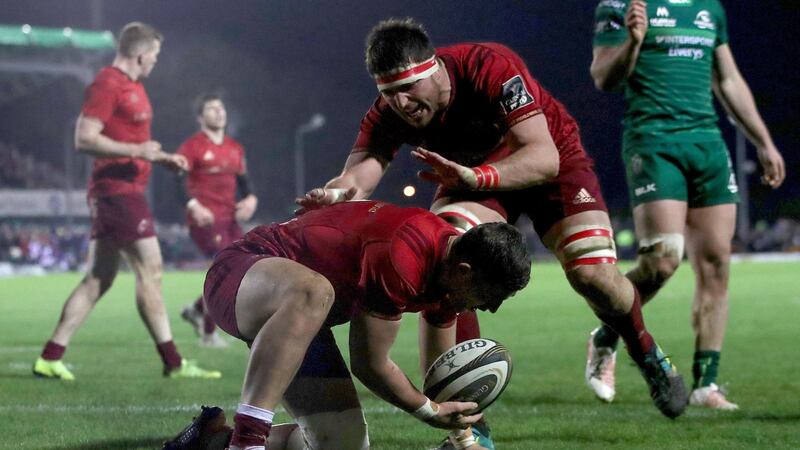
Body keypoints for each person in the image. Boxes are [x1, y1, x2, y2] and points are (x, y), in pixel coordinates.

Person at [296, 18, 690, 445]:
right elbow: (362, 171)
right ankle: (467, 426)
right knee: (445, 256)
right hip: (469, 178)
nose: (402, 103)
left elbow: (542, 157)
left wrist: (476, 177)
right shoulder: (390, 109)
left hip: (545, 166)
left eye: (409, 88)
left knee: (592, 275)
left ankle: (645, 350)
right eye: (389, 93)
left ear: (434, 67)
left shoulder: (488, 66)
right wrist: (337, 192)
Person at [195, 200, 531, 450]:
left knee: (344, 443)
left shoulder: (451, 274)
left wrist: (465, 439)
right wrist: (430, 413)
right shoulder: (405, 252)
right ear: (464, 272)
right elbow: (369, 363)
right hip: (241, 274)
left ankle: (211, 441)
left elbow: (443, 376)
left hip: (302, 322)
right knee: (316, 291)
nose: (491, 308)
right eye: (491, 295)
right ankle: (247, 440)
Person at [588, 0, 786, 410]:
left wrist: (763, 142)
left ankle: (705, 385)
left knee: (716, 264)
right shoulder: (621, 6)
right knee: (662, 260)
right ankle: (606, 336)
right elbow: (604, 78)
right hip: (654, 142)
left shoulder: (709, 9)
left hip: (707, 144)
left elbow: (728, 80)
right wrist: (634, 42)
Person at [32, 22, 220, 381]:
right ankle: (174, 362)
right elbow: (84, 138)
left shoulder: (134, 88)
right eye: (155, 55)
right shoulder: (108, 83)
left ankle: (49, 357)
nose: (155, 61)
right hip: (117, 194)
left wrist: (161, 157)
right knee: (151, 270)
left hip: (120, 192)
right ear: (141, 53)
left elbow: (134, 144)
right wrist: (138, 151)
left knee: (97, 280)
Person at [176, 94, 258, 347]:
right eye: (211, 109)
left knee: (242, 267)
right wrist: (194, 206)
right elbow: (177, 181)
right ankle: (209, 334)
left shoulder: (235, 148)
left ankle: (198, 310)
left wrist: (251, 199)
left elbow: (244, 182)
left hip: (230, 218)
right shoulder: (191, 147)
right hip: (206, 220)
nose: (218, 112)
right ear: (200, 118)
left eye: (221, 108)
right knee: (225, 267)